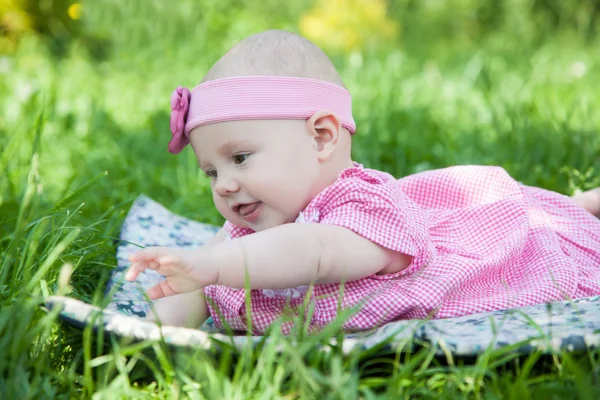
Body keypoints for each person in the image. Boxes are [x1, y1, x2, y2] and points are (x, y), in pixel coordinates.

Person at [125, 30, 600, 334]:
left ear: (322, 137)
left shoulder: (363, 207)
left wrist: (213, 265)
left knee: (548, 226)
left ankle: (580, 205)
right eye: (211, 171)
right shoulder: (243, 237)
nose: (224, 185)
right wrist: (152, 332)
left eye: (240, 158)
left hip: (493, 251)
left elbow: (314, 251)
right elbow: (195, 289)